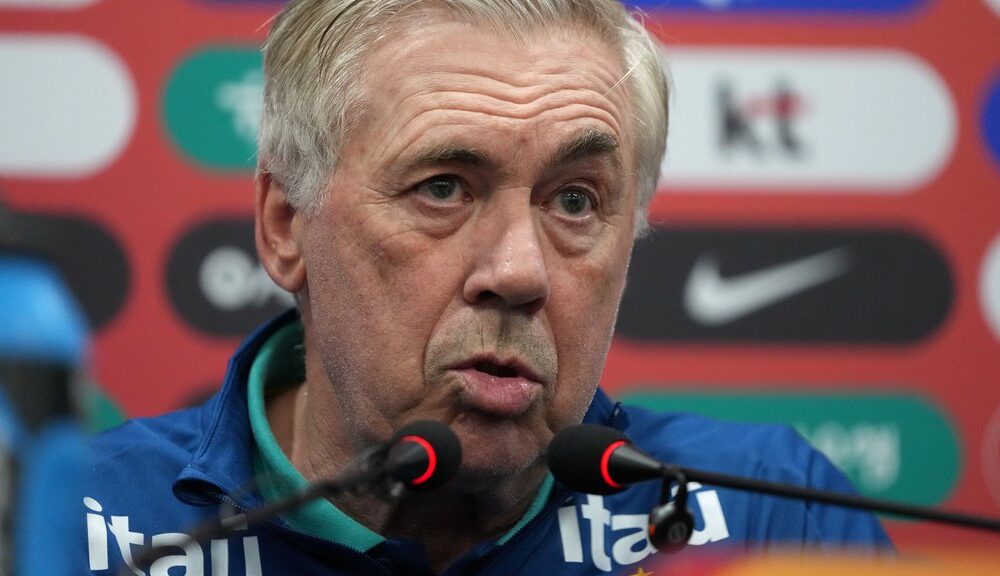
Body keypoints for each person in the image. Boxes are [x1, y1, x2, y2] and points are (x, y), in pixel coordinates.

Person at [81, 1, 890, 574]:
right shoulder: (89, 528)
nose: (519, 272)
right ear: (287, 225)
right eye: (442, 188)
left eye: (575, 202)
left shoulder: (767, 522)